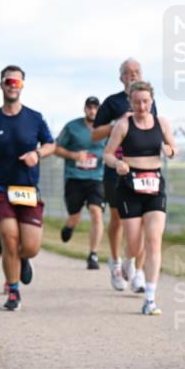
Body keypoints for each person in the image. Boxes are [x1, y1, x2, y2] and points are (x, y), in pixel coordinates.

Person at [0, 65, 55, 310]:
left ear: (22, 86)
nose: (12, 86)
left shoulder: (35, 118)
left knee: (30, 246)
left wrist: (37, 154)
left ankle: (22, 260)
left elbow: (51, 145)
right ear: (1, 85)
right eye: (8, 82)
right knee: (9, 239)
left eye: (16, 83)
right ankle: (13, 291)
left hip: (27, 188)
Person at [102, 82, 178, 316]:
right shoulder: (124, 125)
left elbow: (174, 147)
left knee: (153, 240)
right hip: (129, 185)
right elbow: (107, 154)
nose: (141, 106)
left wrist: (169, 150)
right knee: (134, 244)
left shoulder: (161, 123)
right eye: (137, 102)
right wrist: (118, 163)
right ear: (131, 103)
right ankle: (127, 262)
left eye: (145, 101)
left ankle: (150, 299)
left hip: (154, 185)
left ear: (151, 102)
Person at [92, 58, 157, 292]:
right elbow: (95, 135)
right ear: (121, 77)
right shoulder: (111, 103)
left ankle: (138, 272)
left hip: (145, 170)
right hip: (116, 170)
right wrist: (116, 125)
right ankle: (115, 261)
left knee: (143, 222)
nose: (133, 75)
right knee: (119, 219)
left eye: (136, 71)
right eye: (128, 72)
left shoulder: (150, 102)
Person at [54, 96, 107, 269]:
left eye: (95, 108)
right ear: (84, 109)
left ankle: (93, 255)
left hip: (96, 178)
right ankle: (69, 227)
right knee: (74, 216)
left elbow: (113, 147)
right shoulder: (72, 127)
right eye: (89, 108)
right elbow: (56, 148)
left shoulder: (106, 129)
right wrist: (73, 155)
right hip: (74, 178)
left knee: (96, 212)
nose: (92, 111)